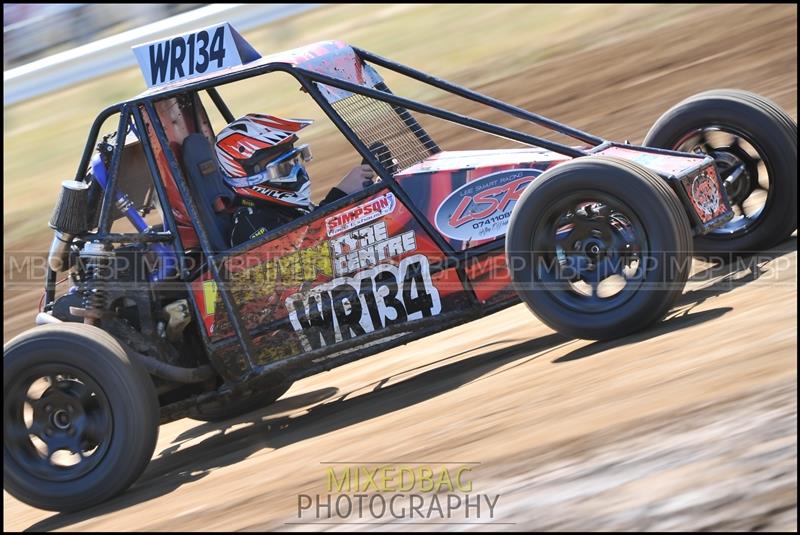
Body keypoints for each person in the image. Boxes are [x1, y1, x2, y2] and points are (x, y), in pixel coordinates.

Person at [214, 113, 376, 246]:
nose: (297, 171)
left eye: (296, 159)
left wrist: (345, 194)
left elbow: (312, 227)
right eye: (284, 166)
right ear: (250, 177)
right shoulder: (251, 227)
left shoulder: (284, 208)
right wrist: (340, 197)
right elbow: (310, 254)